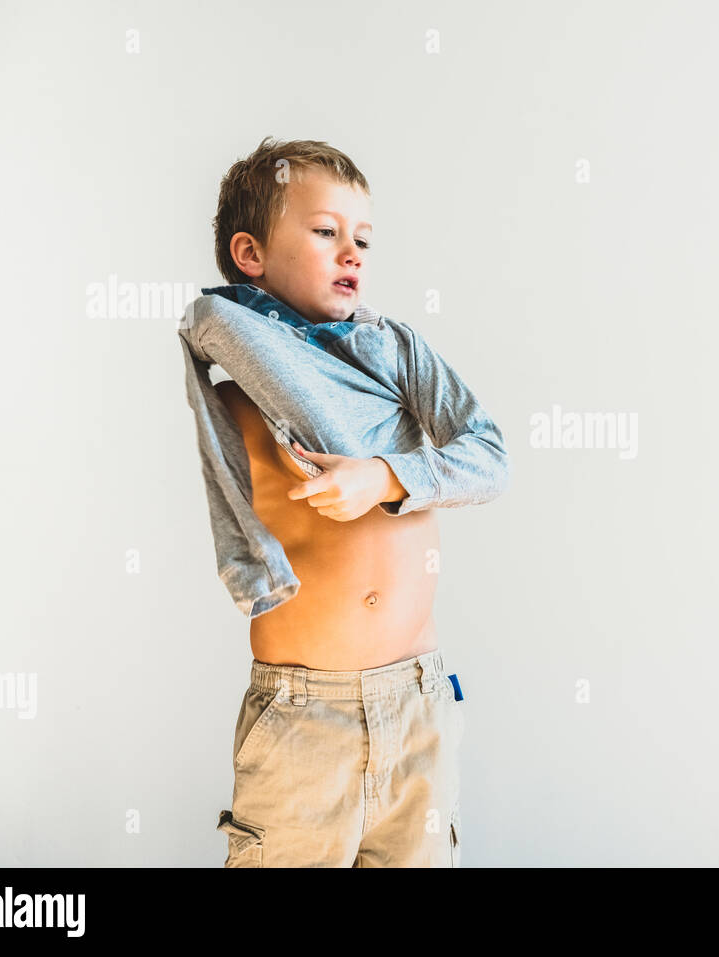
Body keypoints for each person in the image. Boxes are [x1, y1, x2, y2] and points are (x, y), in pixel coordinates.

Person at [178, 137, 511, 866]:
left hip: (419, 699)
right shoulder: (235, 397)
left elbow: (488, 457)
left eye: (362, 238)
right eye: (326, 232)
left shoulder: (394, 353)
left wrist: (382, 477)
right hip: (305, 714)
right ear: (250, 254)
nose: (352, 252)